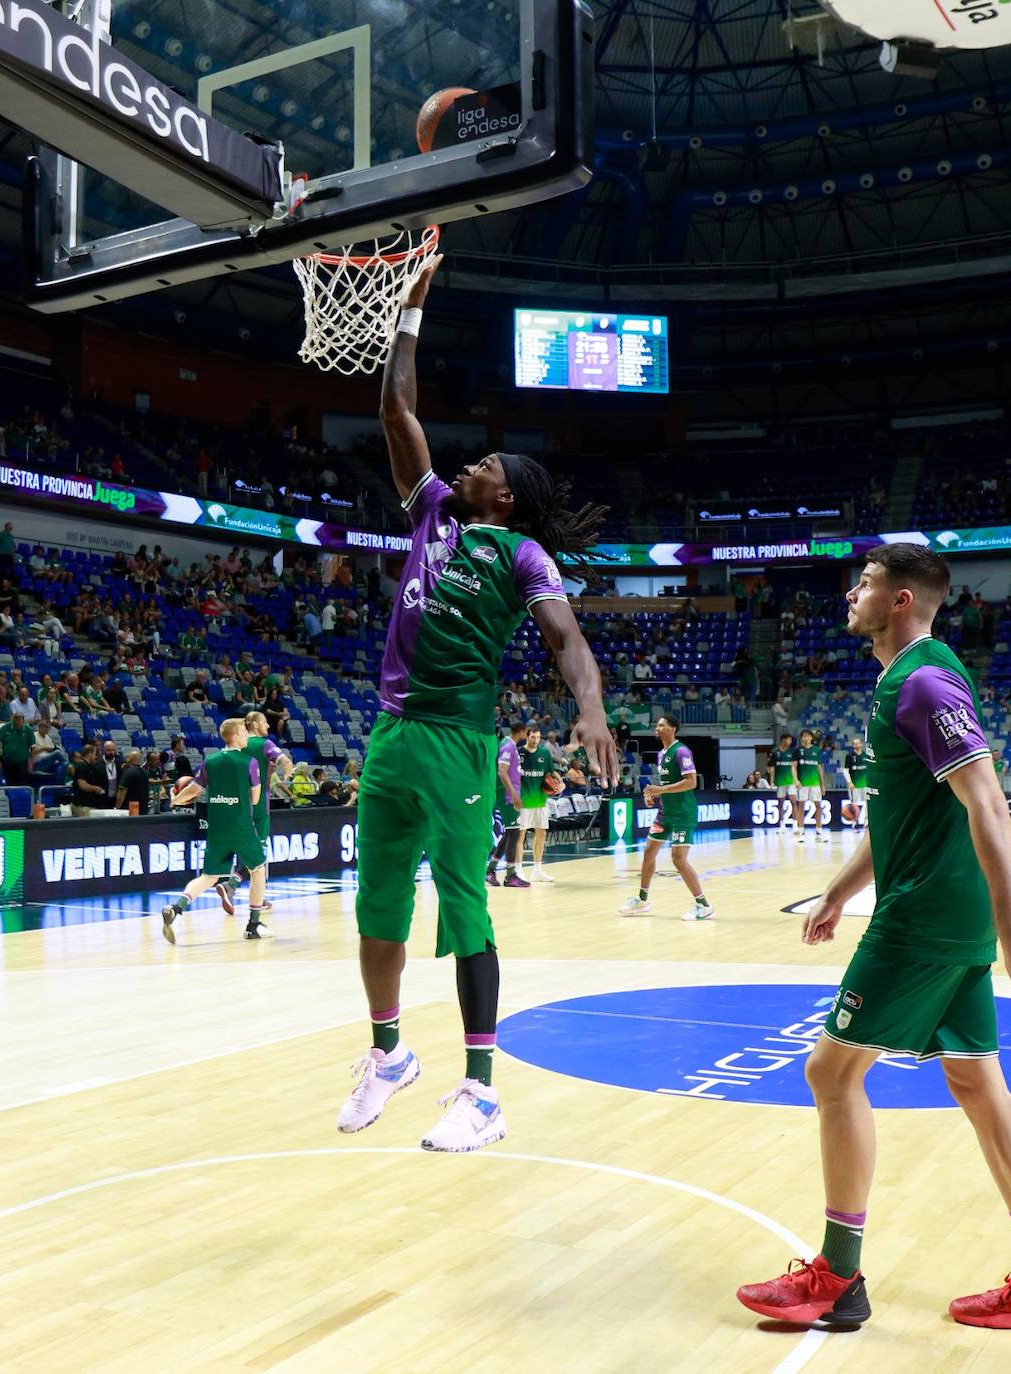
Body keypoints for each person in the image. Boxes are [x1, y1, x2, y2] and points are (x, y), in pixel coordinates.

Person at [736, 544, 1011, 1336]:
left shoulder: (923, 682)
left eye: (863, 583)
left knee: (830, 1074)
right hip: (938, 910)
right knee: (978, 1088)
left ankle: (835, 1277)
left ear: (899, 600)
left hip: (926, 917)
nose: (849, 592)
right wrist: (835, 891)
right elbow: (905, 815)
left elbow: (988, 805)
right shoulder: (913, 678)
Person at [336, 254, 617, 1155]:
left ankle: (481, 1094)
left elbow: (567, 641)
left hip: (459, 742)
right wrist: (410, 307)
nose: (473, 461)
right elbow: (397, 411)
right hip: (390, 735)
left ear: (510, 497)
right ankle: (386, 1053)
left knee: (464, 912)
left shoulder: (525, 558)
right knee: (377, 905)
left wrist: (593, 710)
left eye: (490, 464)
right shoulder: (429, 515)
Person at [162, 718, 270, 943]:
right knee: (258, 869)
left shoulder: (209, 761)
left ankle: (177, 907)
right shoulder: (249, 762)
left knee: (209, 876)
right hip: (241, 826)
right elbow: (256, 797)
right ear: (236, 736)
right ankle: (253, 924)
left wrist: (175, 800)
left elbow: (194, 790)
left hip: (217, 827)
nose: (248, 737)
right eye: (244, 733)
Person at [617, 714, 713, 921]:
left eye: (661, 725)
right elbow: (665, 787)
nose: (657, 728)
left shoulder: (682, 751)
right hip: (665, 813)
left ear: (673, 729)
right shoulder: (662, 754)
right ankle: (642, 900)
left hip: (683, 814)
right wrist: (653, 795)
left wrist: (661, 789)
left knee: (678, 859)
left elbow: (691, 782)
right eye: (657, 725)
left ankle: (703, 905)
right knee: (649, 851)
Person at [216, 710, 290, 918]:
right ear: (255, 725)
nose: (268, 725)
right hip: (257, 805)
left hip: (233, 803)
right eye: (265, 722)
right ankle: (231, 884)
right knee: (259, 853)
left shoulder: (234, 746)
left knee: (246, 849)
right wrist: (288, 767)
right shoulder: (264, 744)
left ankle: (256, 895)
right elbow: (282, 759)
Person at [516, 721, 562, 883]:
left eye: (538, 737)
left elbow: (551, 772)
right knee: (519, 835)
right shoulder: (518, 753)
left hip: (540, 801)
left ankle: (537, 870)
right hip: (522, 802)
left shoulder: (545, 753)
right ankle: (518, 869)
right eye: (533, 737)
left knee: (541, 833)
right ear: (527, 736)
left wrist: (560, 782)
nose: (536, 740)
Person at [486, 720, 529, 889]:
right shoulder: (508, 746)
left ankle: (491, 870)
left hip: (508, 796)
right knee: (515, 833)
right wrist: (513, 795)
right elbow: (502, 772)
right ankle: (510, 876)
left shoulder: (508, 744)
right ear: (523, 731)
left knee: (510, 834)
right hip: (507, 797)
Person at [795, 728, 829, 842]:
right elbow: (793, 767)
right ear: (801, 738)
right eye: (803, 736)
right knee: (801, 806)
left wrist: (822, 784)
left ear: (811, 738)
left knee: (818, 806)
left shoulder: (817, 750)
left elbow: (819, 768)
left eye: (807, 736)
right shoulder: (798, 751)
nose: (805, 738)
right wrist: (796, 780)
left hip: (815, 784)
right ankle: (801, 832)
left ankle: (819, 833)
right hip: (802, 783)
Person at [769, 732, 801, 834]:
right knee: (780, 803)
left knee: (794, 802)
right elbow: (772, 768)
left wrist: (797, 780)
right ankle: (782, 826)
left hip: (791, 781)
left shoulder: (793, 752)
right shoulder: (775, 752)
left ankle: (795, 825)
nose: (790, 742)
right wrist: (772, 782)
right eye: (789, 740)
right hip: (780, 781)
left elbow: (796, 767)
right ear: (783, 740)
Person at [0, 712, 36, 787]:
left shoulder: (28, 730)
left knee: (22, 784)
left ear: (23, 721)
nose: (18, 724)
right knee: (9, 784)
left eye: (20, 721)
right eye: (16, 721)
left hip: (22, 762)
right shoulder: (5, 728)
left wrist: (31, 763)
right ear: (14, 720)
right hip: (7, 762)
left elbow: (33, 747)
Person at [70, 741, 107, 815]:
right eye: (94, 754)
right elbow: (83, 785)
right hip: (82, 806)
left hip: (88, 805)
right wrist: (96, 788)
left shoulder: (89, 766)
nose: (95, 757)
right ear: (89, 754)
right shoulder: (82, 766)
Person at [841, 735, 868, 830]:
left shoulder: (866, 755)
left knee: (867, 803)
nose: (857, 745)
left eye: (858, 743)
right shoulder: (849, 756)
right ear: (853, 745)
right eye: (855, 743)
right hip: (854, 785)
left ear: (861, 744)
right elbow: (845, 770)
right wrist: (849, 782)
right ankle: (854, 823)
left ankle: (866, 823)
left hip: (865, 784)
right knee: (854, 805)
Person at [115, 750, 152, 814]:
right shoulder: (146, 772)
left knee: (133, 823)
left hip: (131, 807)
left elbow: (122, 791)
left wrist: (117, 807)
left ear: (129, 759)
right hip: (143, 807)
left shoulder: (128, 772)